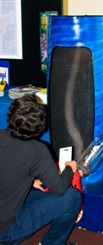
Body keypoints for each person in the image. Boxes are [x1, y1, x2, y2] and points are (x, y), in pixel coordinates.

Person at [0, 94, 81, 245]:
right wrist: (69, 168)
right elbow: (60, 188)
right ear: (40, 126)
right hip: (6, 228)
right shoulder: (38, 151)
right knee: (72, 197)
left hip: (6, 206)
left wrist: (30, 181)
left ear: (9, 116)